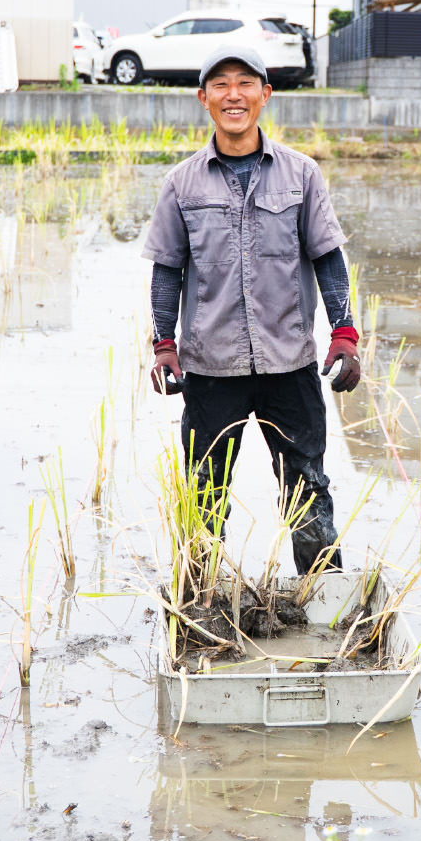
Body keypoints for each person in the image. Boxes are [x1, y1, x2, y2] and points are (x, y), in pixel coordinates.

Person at [141, 44, 362, 574]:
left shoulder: (301, 174)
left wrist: (344, 333)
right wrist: (164, 345)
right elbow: (167, 269)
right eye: (220, 85)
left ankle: (323, 600)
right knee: (203, 497)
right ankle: (199, 598)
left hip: (290, 364)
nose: (233, 95)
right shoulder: (182, 183)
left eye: (245, 83)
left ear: (265, 94)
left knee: (308, 492)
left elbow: (327, 256)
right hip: (211, 368)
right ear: (204, 99)